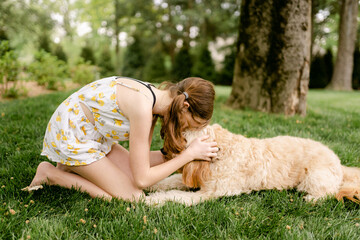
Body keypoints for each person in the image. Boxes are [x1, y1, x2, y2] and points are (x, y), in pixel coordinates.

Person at [23, 76, 218, 201]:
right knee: (135, 197)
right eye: (191, 123)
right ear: (185, 106)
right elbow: (142, 179)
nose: (186, 128)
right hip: (72, 136)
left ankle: (70, 167)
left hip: (92, 135)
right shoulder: (143, 109)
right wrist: (188, 155)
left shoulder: (154, 100)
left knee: (131, 180)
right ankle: (52, 175)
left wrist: (182, 153)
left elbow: (139, 164)